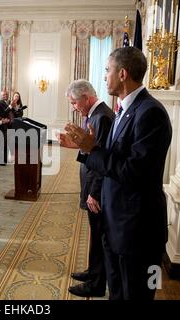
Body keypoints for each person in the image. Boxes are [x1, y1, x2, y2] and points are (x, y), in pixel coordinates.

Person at [62, 47, 172, 300]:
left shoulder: (150, 112)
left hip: (137, 229)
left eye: (107, 70)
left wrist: (92, 150)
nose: (104, 77)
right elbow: (114, 158)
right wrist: (87, 148)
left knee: (136, 294)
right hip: (117, 223)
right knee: (117, 293)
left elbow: (134, 171)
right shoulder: (123, 109)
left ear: (122, 74)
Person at [59, 80, 114, 298]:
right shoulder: (97, 114)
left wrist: (94, 192)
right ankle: (93, 272)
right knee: (95, 232)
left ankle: (97, 283)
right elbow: (91, 150)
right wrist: (75, 144)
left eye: (74, 102)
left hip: (96, 188)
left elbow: (102, 160)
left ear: (86, 97)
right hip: (92, 184)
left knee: (100, 234)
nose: (74, 106)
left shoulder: (102, 117)